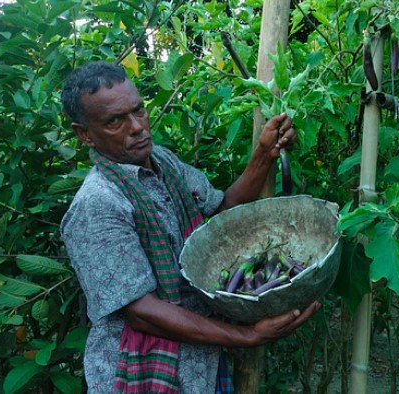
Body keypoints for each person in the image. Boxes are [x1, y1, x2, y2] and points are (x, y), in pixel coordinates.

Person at [60, 61, 320, 394]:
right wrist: (249, 336)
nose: (137, 127)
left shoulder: (163, 162)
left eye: (138, 111)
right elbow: (142, 312)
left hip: (201, 361)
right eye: (115, 121)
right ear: (84, 134)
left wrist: (264, 155)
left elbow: (223, 209)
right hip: (143, 370)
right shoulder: (97, 205)